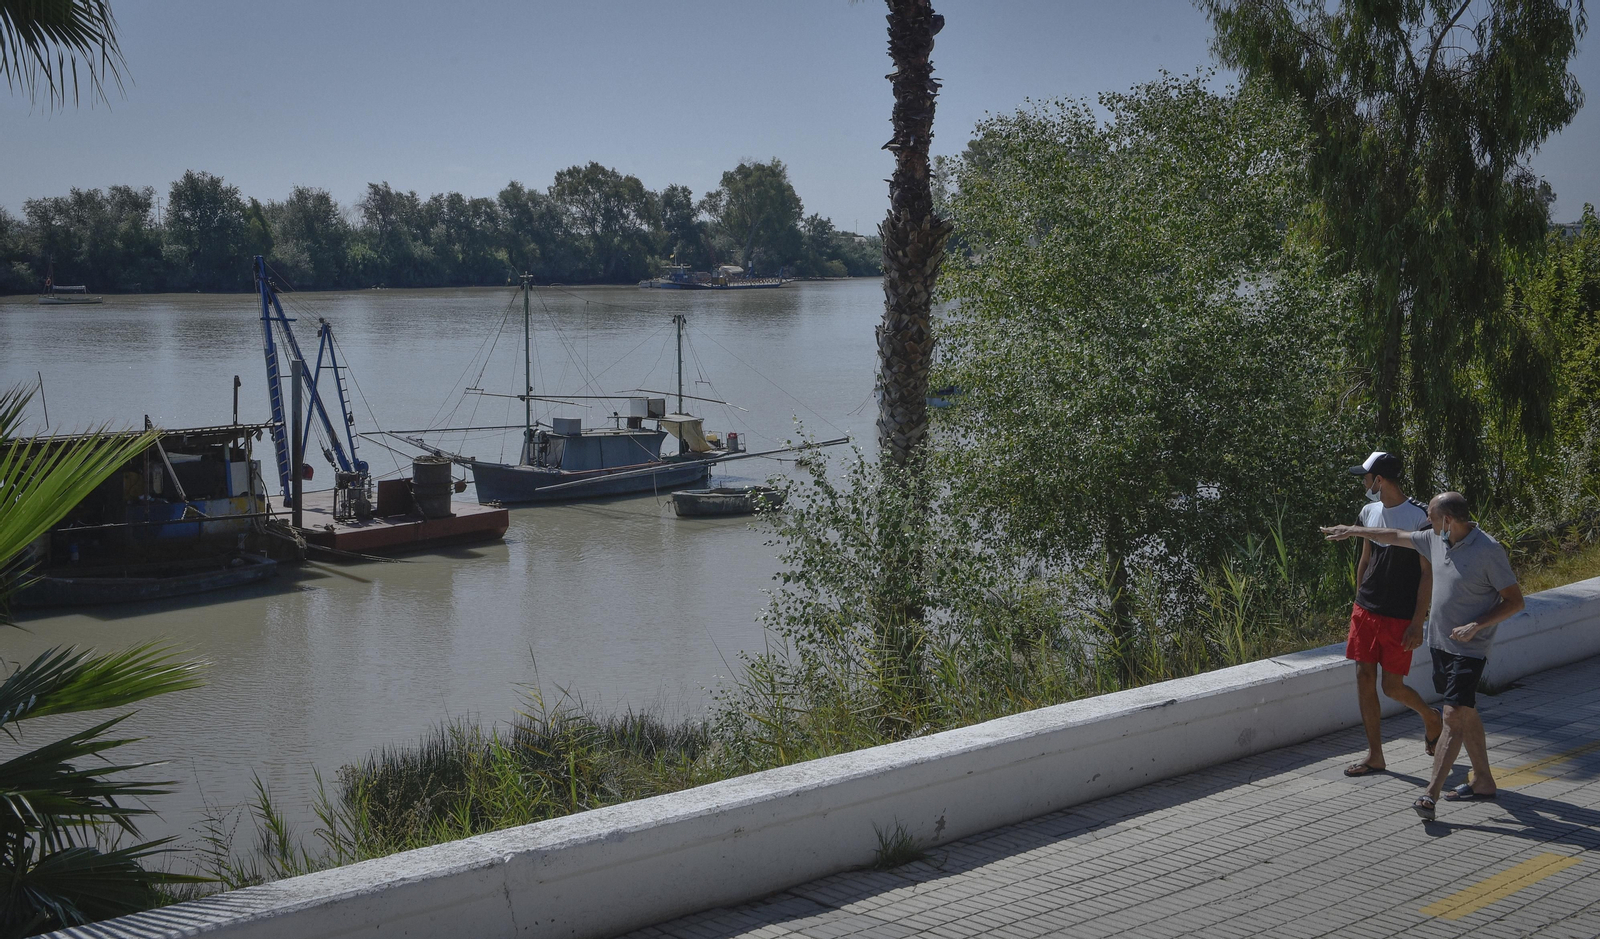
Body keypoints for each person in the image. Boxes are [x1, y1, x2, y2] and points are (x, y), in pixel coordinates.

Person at [1321, 492, 1525, 821]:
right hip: (1441, 644)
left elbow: (1515, 602)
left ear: (1449, 520)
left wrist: (1478, 624)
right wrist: (1355, 530)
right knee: (1466, 712)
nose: (1426, 520)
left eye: (1430, 515)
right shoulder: (1435, 538)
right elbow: (1394, 536)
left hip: (1469, 649)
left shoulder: (1488, 550)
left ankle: (1430, 793)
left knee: (1452, 716)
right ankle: (1484, 781)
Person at [1338, 452, 1441, 777]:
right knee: (1363, 678)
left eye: (1366, 477)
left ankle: (1431, 717)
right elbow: (1365, 559)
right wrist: (1358, 602)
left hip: (1399, 616)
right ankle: (1375, 756)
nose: (1364, 483)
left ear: (1378, 480)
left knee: (1392, 687)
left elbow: (1427, 573)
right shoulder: (1368, 511)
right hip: (1366, 611)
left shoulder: (1420, 516)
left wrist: (1417, 622)